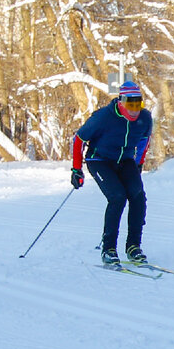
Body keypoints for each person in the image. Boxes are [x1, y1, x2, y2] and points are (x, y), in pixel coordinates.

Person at [70, 81, 153, 266]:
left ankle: (133, 247)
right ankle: (109, 249)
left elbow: (143, 142)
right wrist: (76, 169)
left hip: (125, 160)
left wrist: (138, 164)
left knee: (138, 195)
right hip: (99, 160)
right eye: (129, 104)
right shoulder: (103, 117)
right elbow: (79, 139)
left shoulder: (145, 118)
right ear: (121, 102)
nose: (134, 110)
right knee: (117, 196)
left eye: (137, 104)